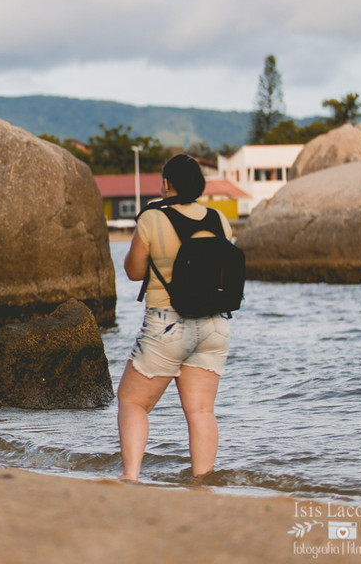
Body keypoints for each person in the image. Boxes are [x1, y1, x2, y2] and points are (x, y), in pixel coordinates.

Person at [117, 153, 233, 482]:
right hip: (214, 324)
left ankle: (131, 475)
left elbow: (134, 271)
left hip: (168, 323)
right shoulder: (218, 219)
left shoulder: (153, 218)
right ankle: (202, 482)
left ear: (167, 184)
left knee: (132, 401)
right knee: (200, 411)